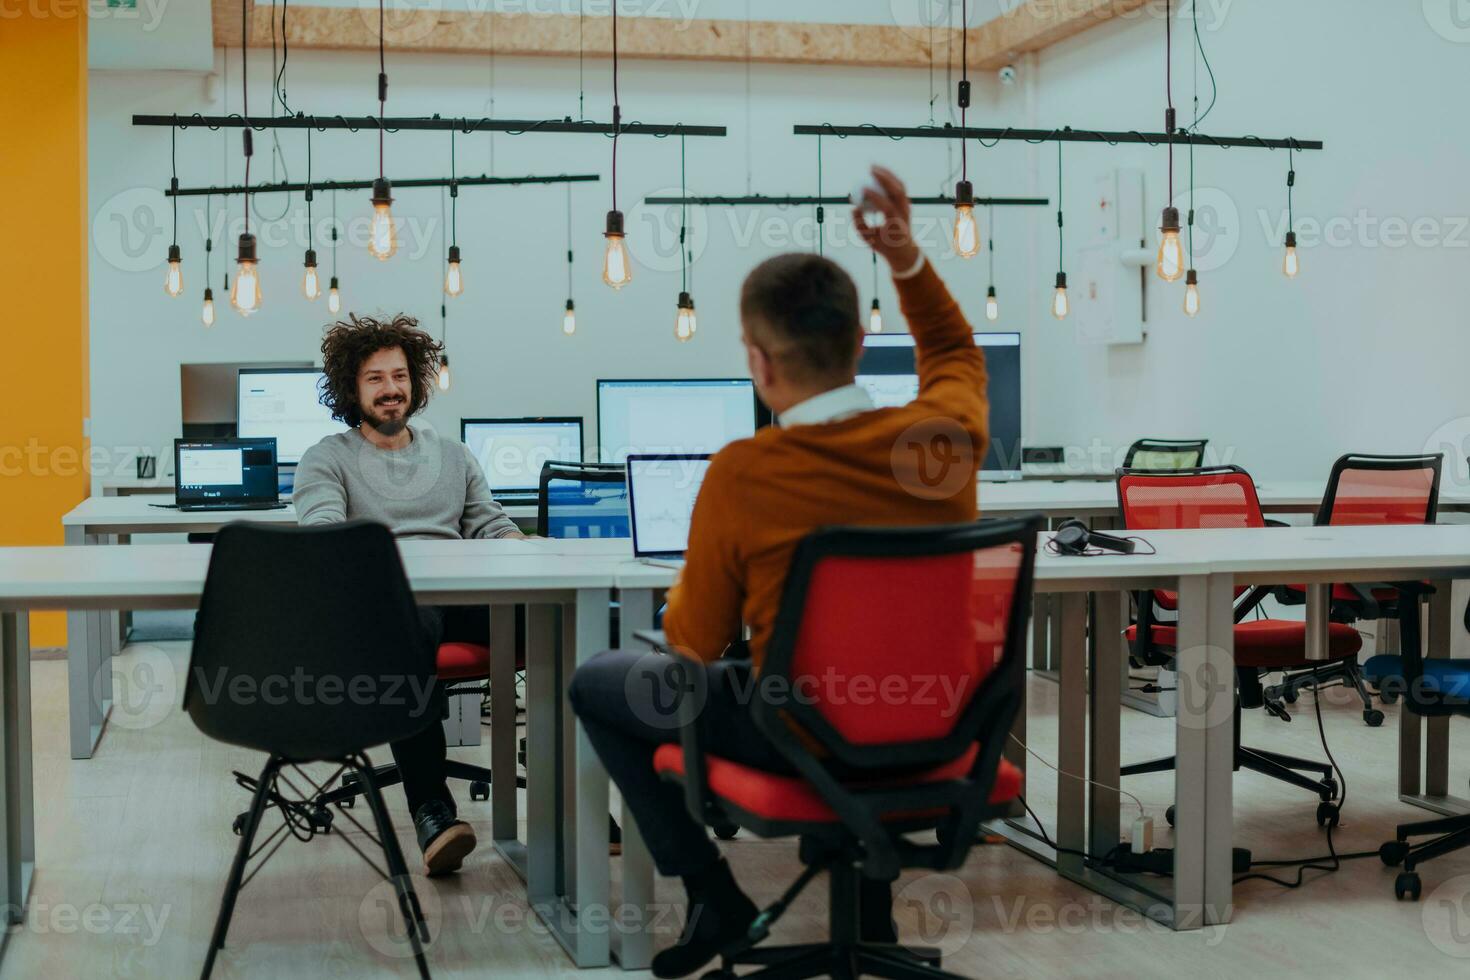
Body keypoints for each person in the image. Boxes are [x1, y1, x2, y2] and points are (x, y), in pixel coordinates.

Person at [568, 166, 989, 978]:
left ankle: (712, 897)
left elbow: (693, 644)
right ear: (861, 343)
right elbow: (953, 349)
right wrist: (904, 257)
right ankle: (868, 909)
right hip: (941, 727)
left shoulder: (745, 472)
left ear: (758, 363)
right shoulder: (944, 440)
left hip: (795, 737)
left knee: (598, 681)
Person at [294, 312, 526, 877]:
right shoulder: (326, 458)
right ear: (352, 388)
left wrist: (519, 546)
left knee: (565, 620)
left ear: (416, 383)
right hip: (387, 608)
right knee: (407, 626)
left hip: (463, 600)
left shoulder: (453, 455)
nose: (391, 389)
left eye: (399, 375)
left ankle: (572, 800)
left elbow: (491, 525)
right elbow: (327, 539)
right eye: (375, 378)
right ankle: (433, 812)